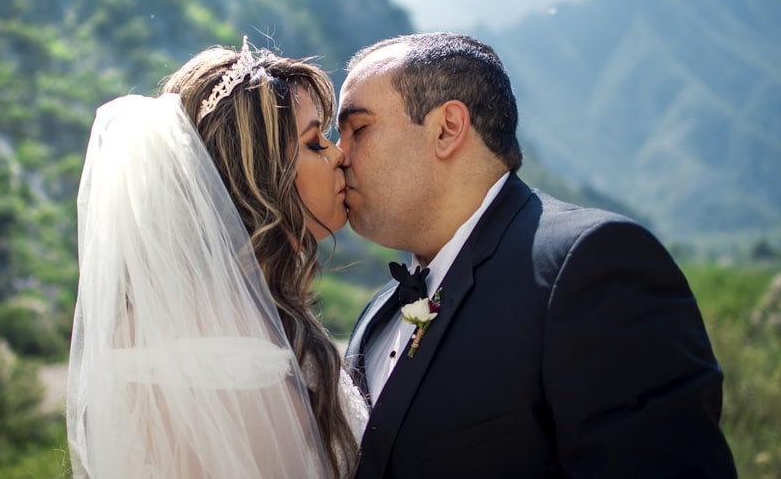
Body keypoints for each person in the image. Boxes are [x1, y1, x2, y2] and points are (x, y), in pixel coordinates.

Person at [339, 32, 736, 477]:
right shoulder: (376, 316)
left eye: (358, 128)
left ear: (447, 129)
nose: (340, 155)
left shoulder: (590, 267)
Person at [67, 39, 368, 478]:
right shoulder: (219, 336)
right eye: (314, 143)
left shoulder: (244, 307)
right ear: (260, 178)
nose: (339, 154)